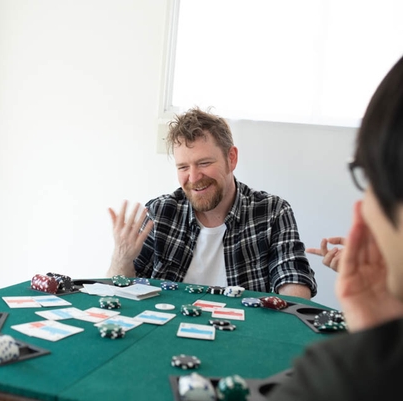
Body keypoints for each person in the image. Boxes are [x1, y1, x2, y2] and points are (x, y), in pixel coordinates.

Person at [267, 54, 403, 400]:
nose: (193, 176)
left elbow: (292, 276)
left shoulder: (336, 379)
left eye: (367, 175)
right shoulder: (162, 208)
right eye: (183, 167)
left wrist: (370, 349)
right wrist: (375, 328)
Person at [107, 107, 317, 299]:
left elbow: (293, 281)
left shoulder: (273, 211)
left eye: (204, 163)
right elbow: (118, 293)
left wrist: (291, 301)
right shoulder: (160, 212)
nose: (193, 177)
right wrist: (121, 258)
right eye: (183, 167)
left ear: (231, 158)